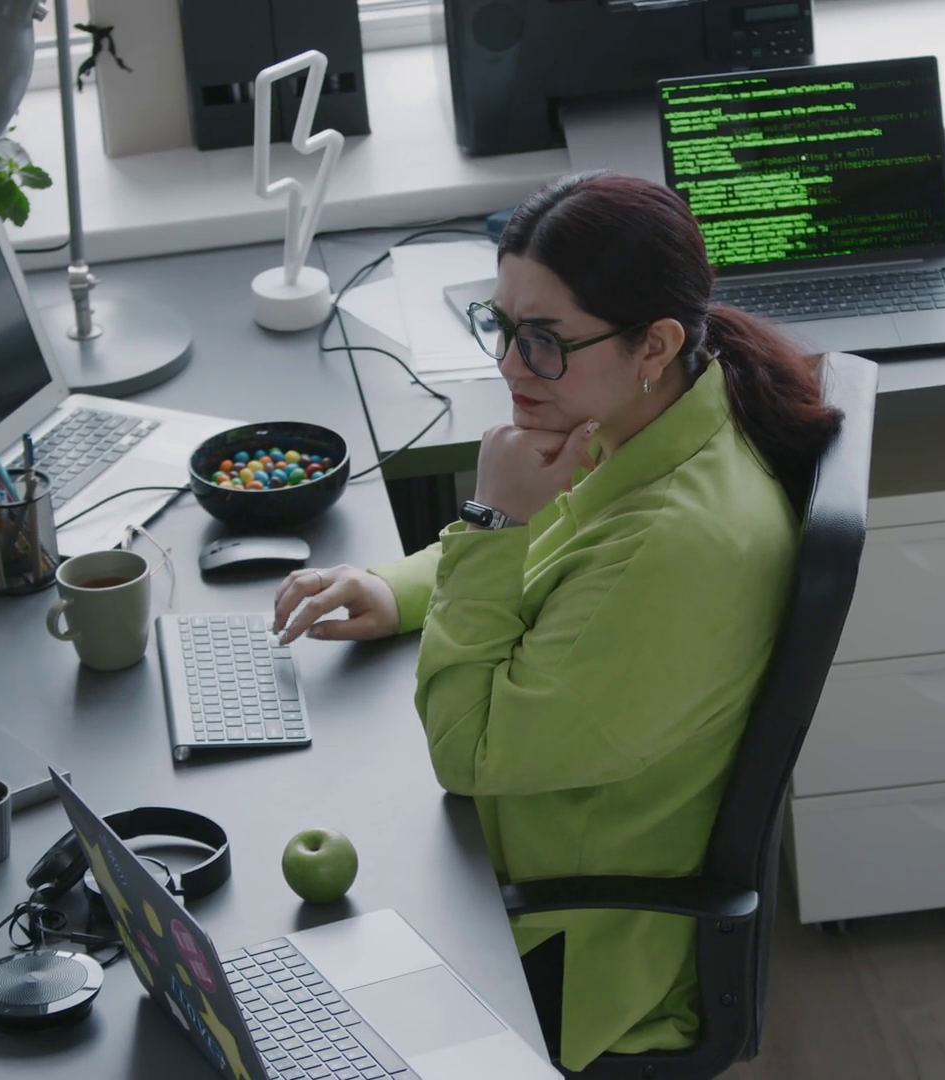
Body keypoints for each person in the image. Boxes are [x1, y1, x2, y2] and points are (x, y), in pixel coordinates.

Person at [271, 171, 843, 1072]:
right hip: (512, 840)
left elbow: (464, 753)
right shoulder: (664, 409)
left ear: (654, 341)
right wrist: (394, 586)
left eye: (543, 340)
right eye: (501, 326)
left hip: (566, 944)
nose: (509, 366)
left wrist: (491, 522)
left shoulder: (675, 548)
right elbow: (557, 541)